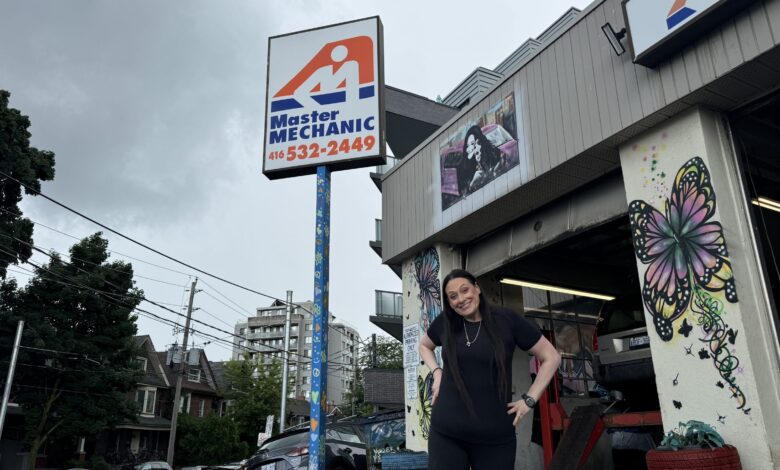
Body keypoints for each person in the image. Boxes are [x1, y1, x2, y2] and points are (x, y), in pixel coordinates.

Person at [418, 269, 561, 470]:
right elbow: (424, 346)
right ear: (449, 302)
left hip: (495, 438)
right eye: (453, 296)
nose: (461, 299)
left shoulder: (507, 320)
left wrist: (529, 399)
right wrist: (437, 372)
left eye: (464, 290)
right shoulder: (446, 322)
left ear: (477, 288)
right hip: (447, 434)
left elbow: (551, 357)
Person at [458, 125, 504, 196]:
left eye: (473, 144)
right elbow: (464, 195)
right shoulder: (464, 168)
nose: (470, 149)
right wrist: (473, 183)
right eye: (468, 145)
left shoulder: (491, 155)